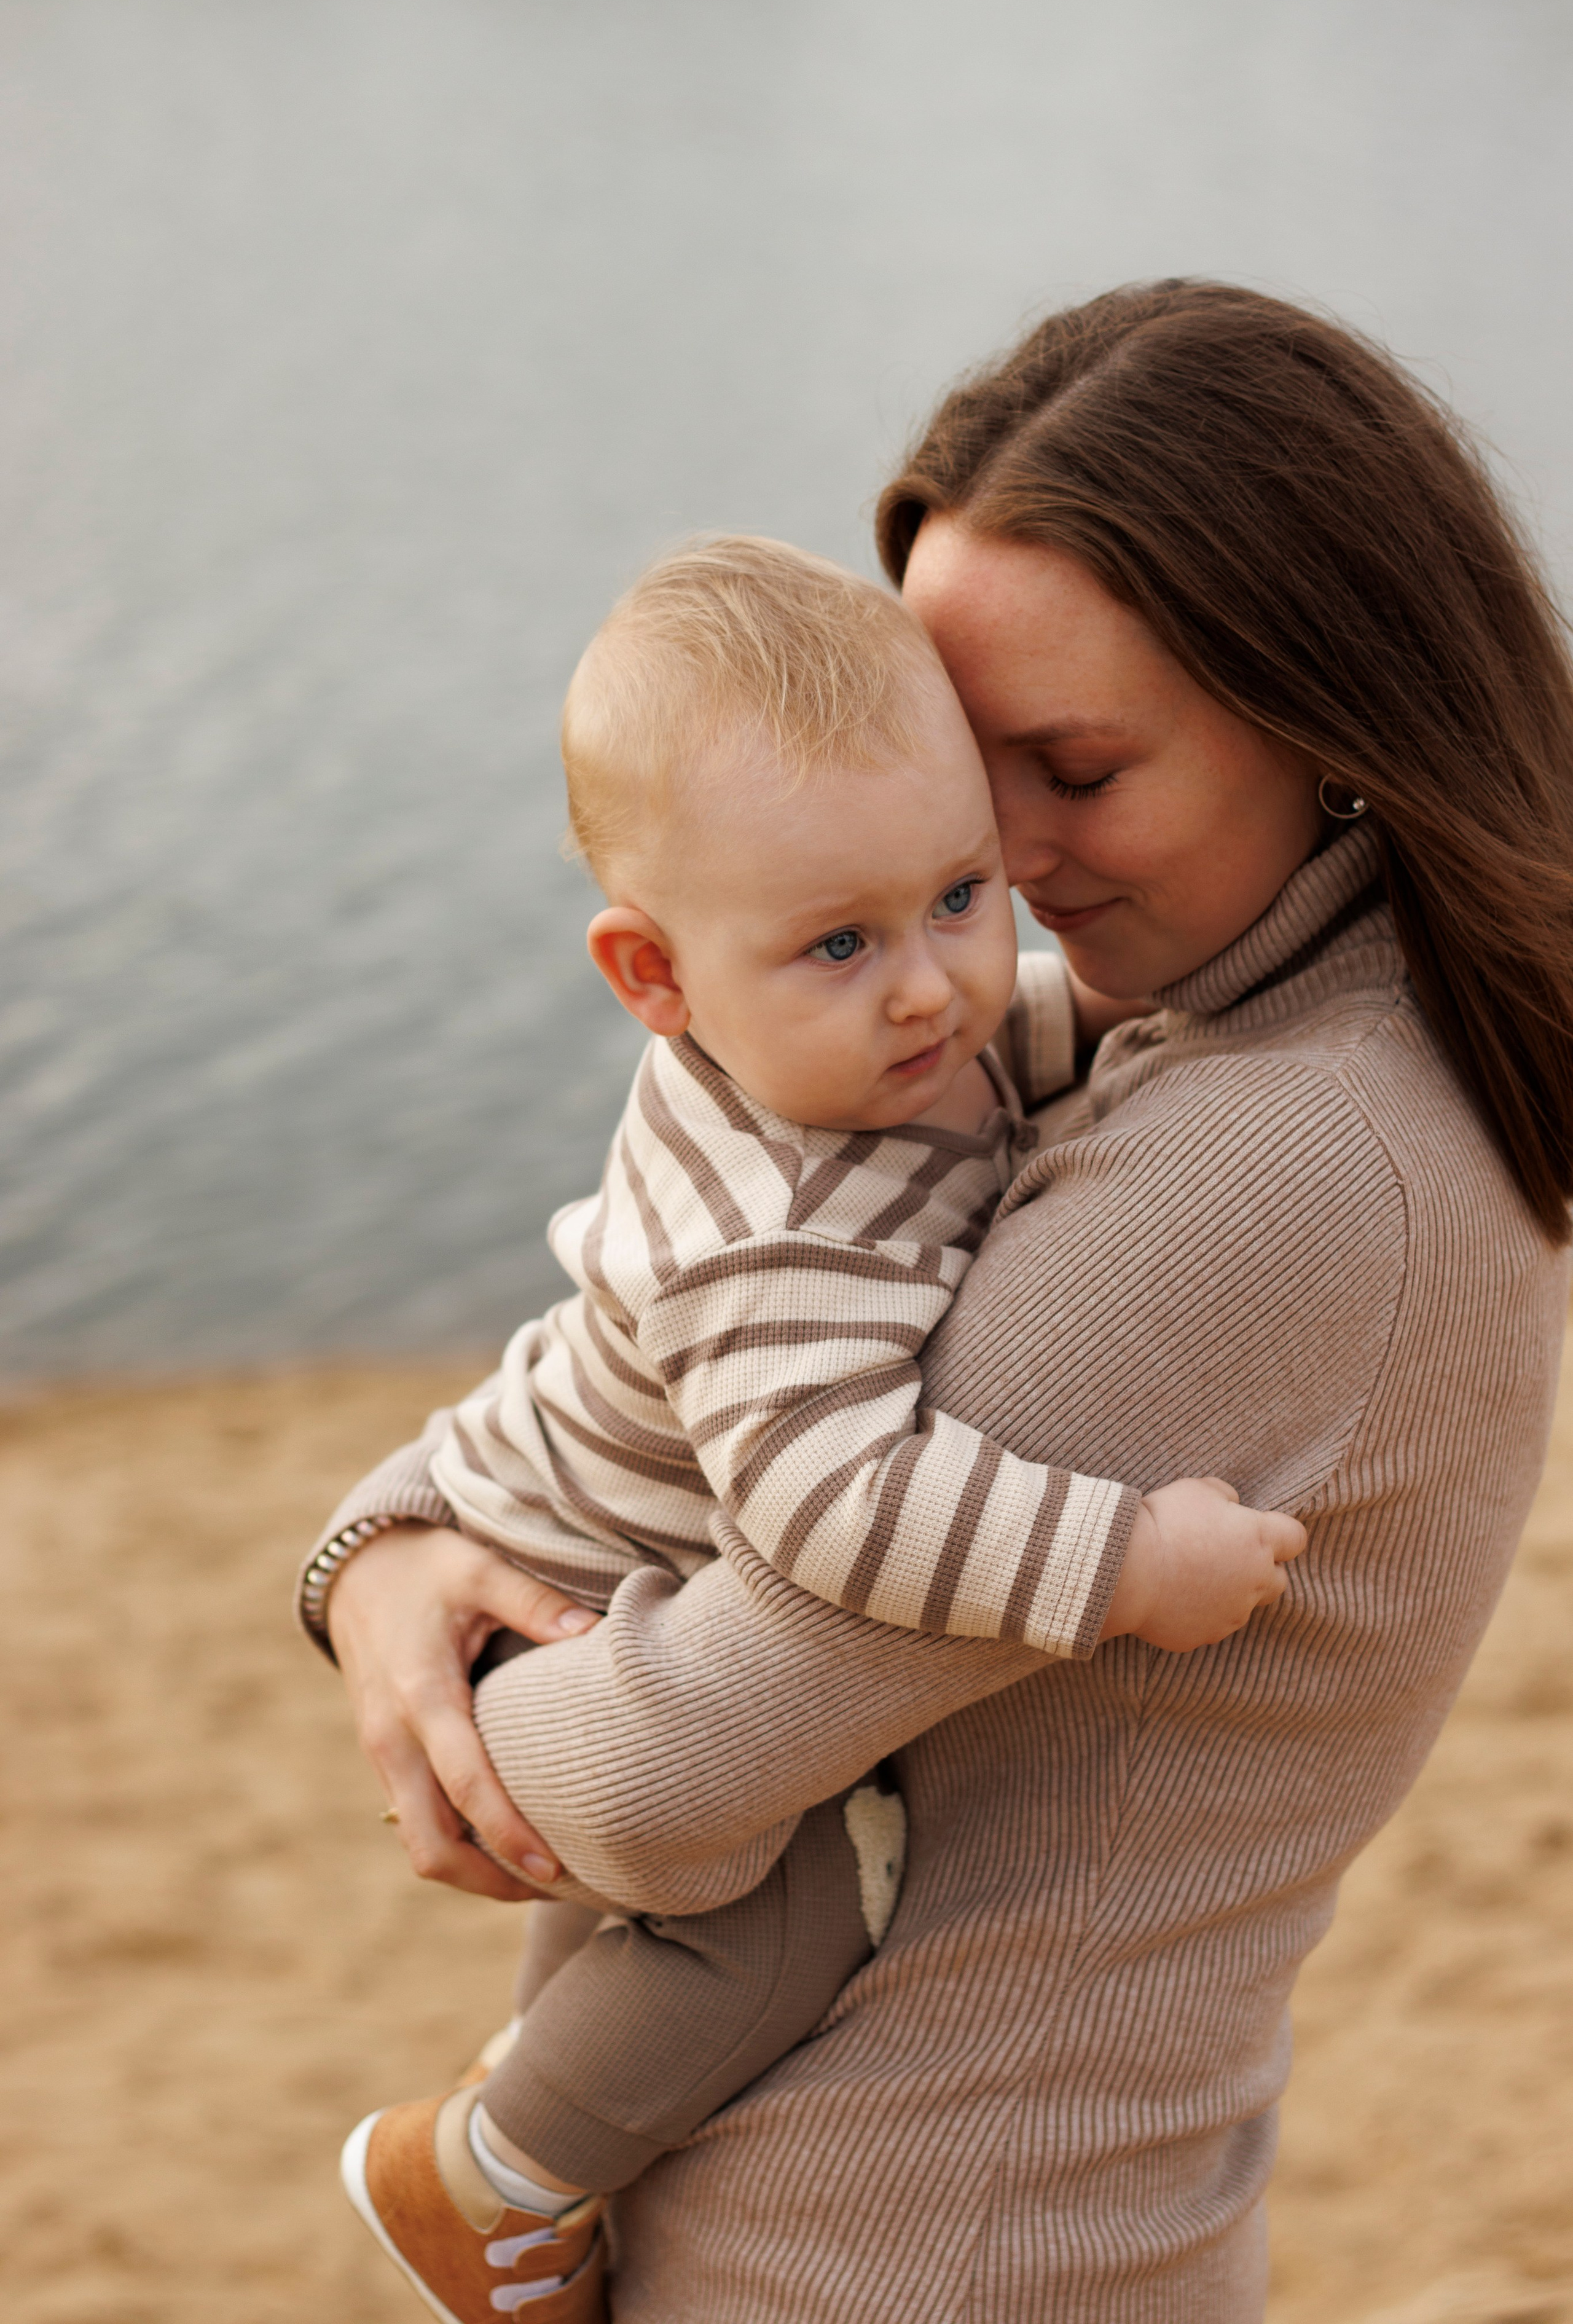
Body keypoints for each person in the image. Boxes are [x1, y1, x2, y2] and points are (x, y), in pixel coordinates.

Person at [312, 281, 1573, 2322]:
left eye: (1072, 767)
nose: (995, 858)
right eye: (967, 769)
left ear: (1329, 702)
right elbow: (685, 1343)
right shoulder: (1224, 1027)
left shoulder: (1283, 1164)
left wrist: (454, 1664)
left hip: (912, 2251)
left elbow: (643, 1780)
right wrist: (384, 1553)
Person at [305, 534, 1300, 2322]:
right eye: (840, 939)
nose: (930, 986)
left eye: (960, 894)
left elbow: (1019, 1049)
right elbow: (842, 1510)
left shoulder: (864, 1037)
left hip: (561, 1503)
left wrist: (1129, 1031)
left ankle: (540, 2115)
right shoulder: (779, 1230)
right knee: (787, 1910)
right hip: (571, 1587)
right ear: (654, 978)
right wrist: (1126, 1560)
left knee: (622, 1942)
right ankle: (488, 2177)